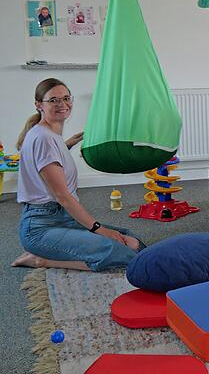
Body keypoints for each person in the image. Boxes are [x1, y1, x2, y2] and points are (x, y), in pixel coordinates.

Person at [11, 78, 143, 271]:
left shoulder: (47, 134)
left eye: (66, 98)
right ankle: (41, 261)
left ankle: (53, 254)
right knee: (124, 254)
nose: (62, 104)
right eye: (53, 100)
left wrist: (68, 144)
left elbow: (47, 163)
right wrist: (99, 229)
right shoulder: (44, 139)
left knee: (130, 240)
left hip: (61, 218)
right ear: (39, 105)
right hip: (41, 227)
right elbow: (63, 197)